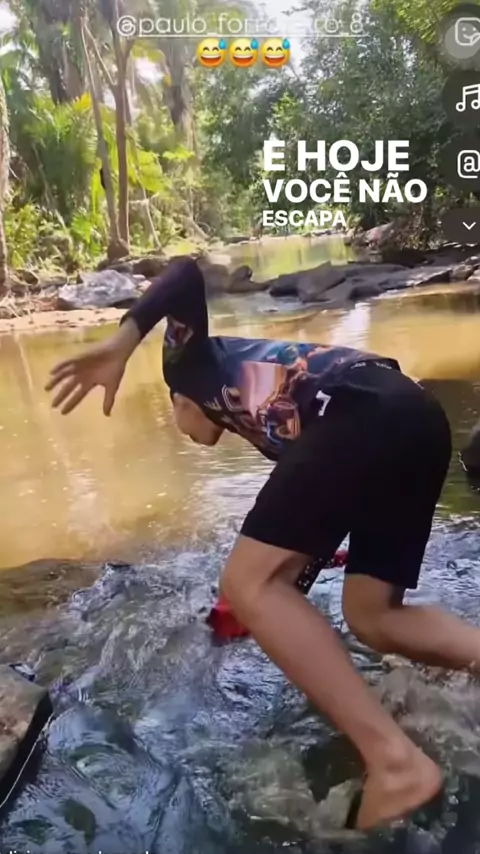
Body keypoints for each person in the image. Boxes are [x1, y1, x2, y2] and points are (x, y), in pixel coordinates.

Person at [46, 257, 480, 831]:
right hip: (413, 416)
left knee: (246, 581)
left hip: (362, 410)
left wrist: (120, 344)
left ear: (179, 398)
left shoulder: (190, 364)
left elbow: (185, 275)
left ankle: (396, 764)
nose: (180, 431)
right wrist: (266, 601)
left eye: (172, 416)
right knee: (372, 615)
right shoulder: (268, 415)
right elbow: (309, 526)